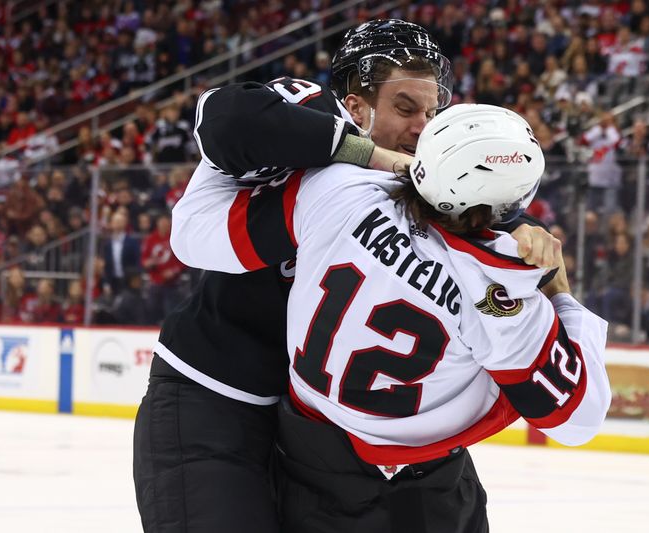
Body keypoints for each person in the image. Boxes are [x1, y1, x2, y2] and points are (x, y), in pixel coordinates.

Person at [133, 19, 561, 533]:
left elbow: (490, 214)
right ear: (354, 106)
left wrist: (527, 231)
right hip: (216, 396)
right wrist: (368, 157)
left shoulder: (431, 173)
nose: (424, 127)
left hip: (315, 431)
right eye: (405, 109)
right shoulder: (308, 108)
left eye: (431, 111)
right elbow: (224, 121)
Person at [171, 103, 610, 532]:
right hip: (422, 486)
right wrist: (558, 292)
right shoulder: (496, 294)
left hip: (308, 457)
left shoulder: (339, 187)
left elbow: (197, 239)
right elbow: (576, 420)